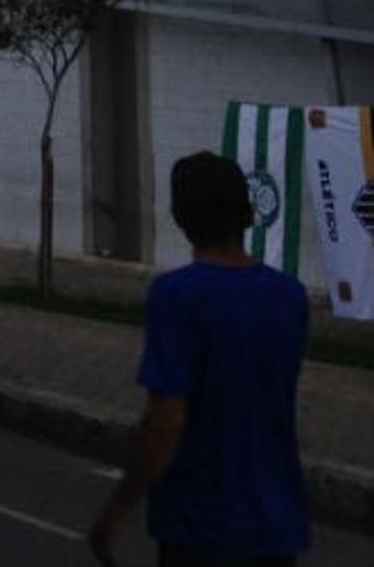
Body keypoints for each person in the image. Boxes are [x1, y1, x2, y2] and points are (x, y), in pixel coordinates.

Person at [88, 152, 310, 566]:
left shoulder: (177, 296)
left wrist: (119, 507)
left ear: (180, 216)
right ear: (246, 213)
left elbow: (166, 418)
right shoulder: (290, 297)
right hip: (277, 527)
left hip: (201, 526)